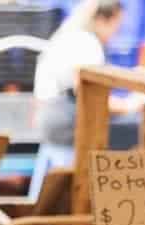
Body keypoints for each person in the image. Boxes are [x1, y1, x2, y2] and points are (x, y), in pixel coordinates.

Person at [29, 0, 135, 199]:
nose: (116, 34)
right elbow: (90, 98)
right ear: (104, 19)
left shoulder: (67, 34)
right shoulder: (87, 44)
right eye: (117, 26)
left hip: (47, 121)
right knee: (133, 130)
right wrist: (130, 106)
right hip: (63, 124)